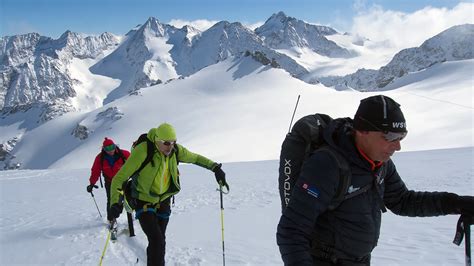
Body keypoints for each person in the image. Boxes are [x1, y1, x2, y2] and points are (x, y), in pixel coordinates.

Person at [276, 95, 474, 266]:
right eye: (391, 136)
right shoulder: (328, 165)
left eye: (402, 137)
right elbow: (291, 230)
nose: (398, 146)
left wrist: (455, 203)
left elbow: (403, 201)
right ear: (362, 131)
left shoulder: (379, 163)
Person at [109, 123, 229, 266]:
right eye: (166, 143)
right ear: (157, 141)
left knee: (159, 241)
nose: (170, 146)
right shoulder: (143, 151)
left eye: (173, 142)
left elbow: (195, 158)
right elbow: (119, 178)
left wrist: (215, 168)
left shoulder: (175, 151)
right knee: (157, 240)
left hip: (164, 200)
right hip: (143, 201)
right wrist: (115, 203)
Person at [87, 137, 130, 225]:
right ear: (104, 149)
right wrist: (92, 183)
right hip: (110, 182)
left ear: (115, 146)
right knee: (111, 200)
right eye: (107, 149)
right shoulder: (100, 158)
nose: (111, 150)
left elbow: (134, 164)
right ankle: (111, 219)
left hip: (124, 181)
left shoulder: (124, 154)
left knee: (129, 198)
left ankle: (132, 217)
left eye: (112, 147)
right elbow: (95, 171)